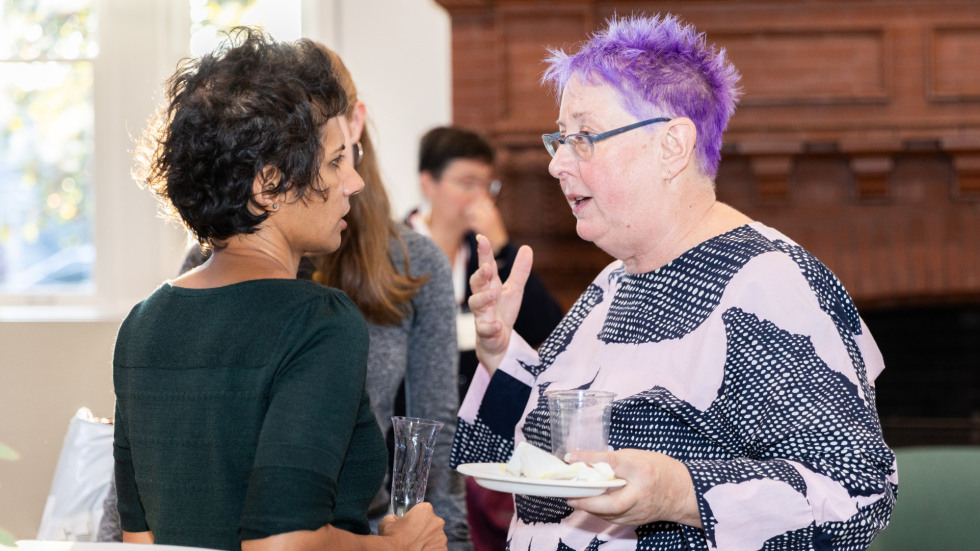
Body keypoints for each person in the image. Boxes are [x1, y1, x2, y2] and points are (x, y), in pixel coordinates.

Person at [450, 13, 897, 551]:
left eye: (584, 137)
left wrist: (679, 492)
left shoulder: (769, 284)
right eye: (559, 140)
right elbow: (544, 466)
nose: (557, 165)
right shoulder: (612, 285)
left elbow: (857, 496)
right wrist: (502, 356)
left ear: (672, 147)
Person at [111, 27, 446, 551]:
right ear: (269, 185)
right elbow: (284, 542)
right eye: (336, 161)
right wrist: (396, 546)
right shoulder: (318, 321)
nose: (354, 182)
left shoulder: (142, 323)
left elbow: (139, 540)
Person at [406, 126, 565, 551]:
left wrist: (504, 246)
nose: (479, 199)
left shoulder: (487, 259)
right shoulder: (392, 251)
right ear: (428, 183)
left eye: (486, 185)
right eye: (465, 184)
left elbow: (550, 332)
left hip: (480, 449)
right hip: (410, 444)